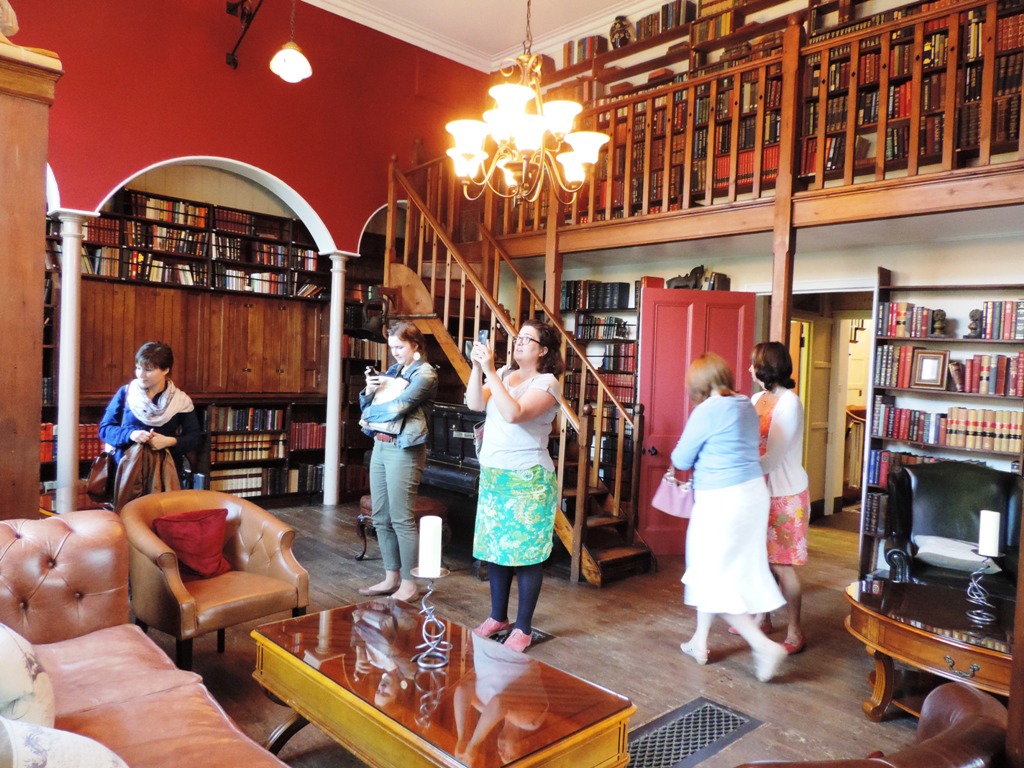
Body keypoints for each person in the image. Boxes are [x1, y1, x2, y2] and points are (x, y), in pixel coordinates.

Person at [671, 352, 788, 682]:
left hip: (721, 500)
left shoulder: (707, 411)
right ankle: (699, 641)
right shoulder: (744, 405)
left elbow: (681, 458)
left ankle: (763, 646)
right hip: (752, 495)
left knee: (710, 578)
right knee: (715, 571)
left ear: (698, 383)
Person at [466, 320, 564, 653]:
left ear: (543, 350)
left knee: (526, 555)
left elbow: (514, 413)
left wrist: (490, 371)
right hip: (496, 476)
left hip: (529, 479)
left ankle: (523, 627)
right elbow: (474, 403)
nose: (519, 342)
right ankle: (498, 617)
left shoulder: (547, 383)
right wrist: (477, 368)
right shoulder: (505, 374)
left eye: (527, 339)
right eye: (518, 337)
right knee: (496, 549)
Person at [358, 321, 438, 603]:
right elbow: (368, 405)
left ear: (415, 345)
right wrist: (368, 391)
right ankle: (391, 577)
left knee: (401, 518)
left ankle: (408, 583)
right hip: (380, 445)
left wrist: (368, 415)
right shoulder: (394, 371)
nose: (394, 353)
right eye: (392, 347)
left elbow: (399, 407)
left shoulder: (425, 374)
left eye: (400, 347)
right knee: (381, 517)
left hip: (405, 449)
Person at [750, 341, 810, 655]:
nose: (749, 368)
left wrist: (736, 468)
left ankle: (795, 630)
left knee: (782, 565)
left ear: (765, 368)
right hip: (759, 491)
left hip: (785, 494)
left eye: (753, 363)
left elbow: (772, 458)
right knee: (760, 561)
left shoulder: (790, 403)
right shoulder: (756, 398)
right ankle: (763, 619)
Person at [99, 341, 201, 509]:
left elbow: (195, 438)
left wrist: (170, 441)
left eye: (148, 369)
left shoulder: (181, 401)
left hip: (164, 476)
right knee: (126, 519)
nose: (141, 374)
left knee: (161, 516)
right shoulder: (126, 393)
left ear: (165, 370)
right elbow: (105, 430)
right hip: (126, 475)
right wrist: (131, 435)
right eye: (138, 368)